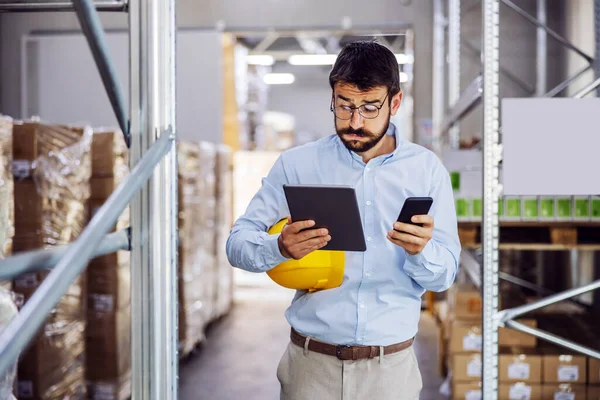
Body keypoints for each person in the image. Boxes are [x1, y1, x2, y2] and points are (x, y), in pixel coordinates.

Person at [226, 40, 461, 400]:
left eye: (369, 108)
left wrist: (421, 252)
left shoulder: (426, 171)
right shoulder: (298, 165)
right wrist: (278, 246)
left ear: (394, 103)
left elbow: (445, 274)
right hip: (311, 369)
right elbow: (237, 244)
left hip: (390, 373)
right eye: (343, 106)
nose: (354, 122)